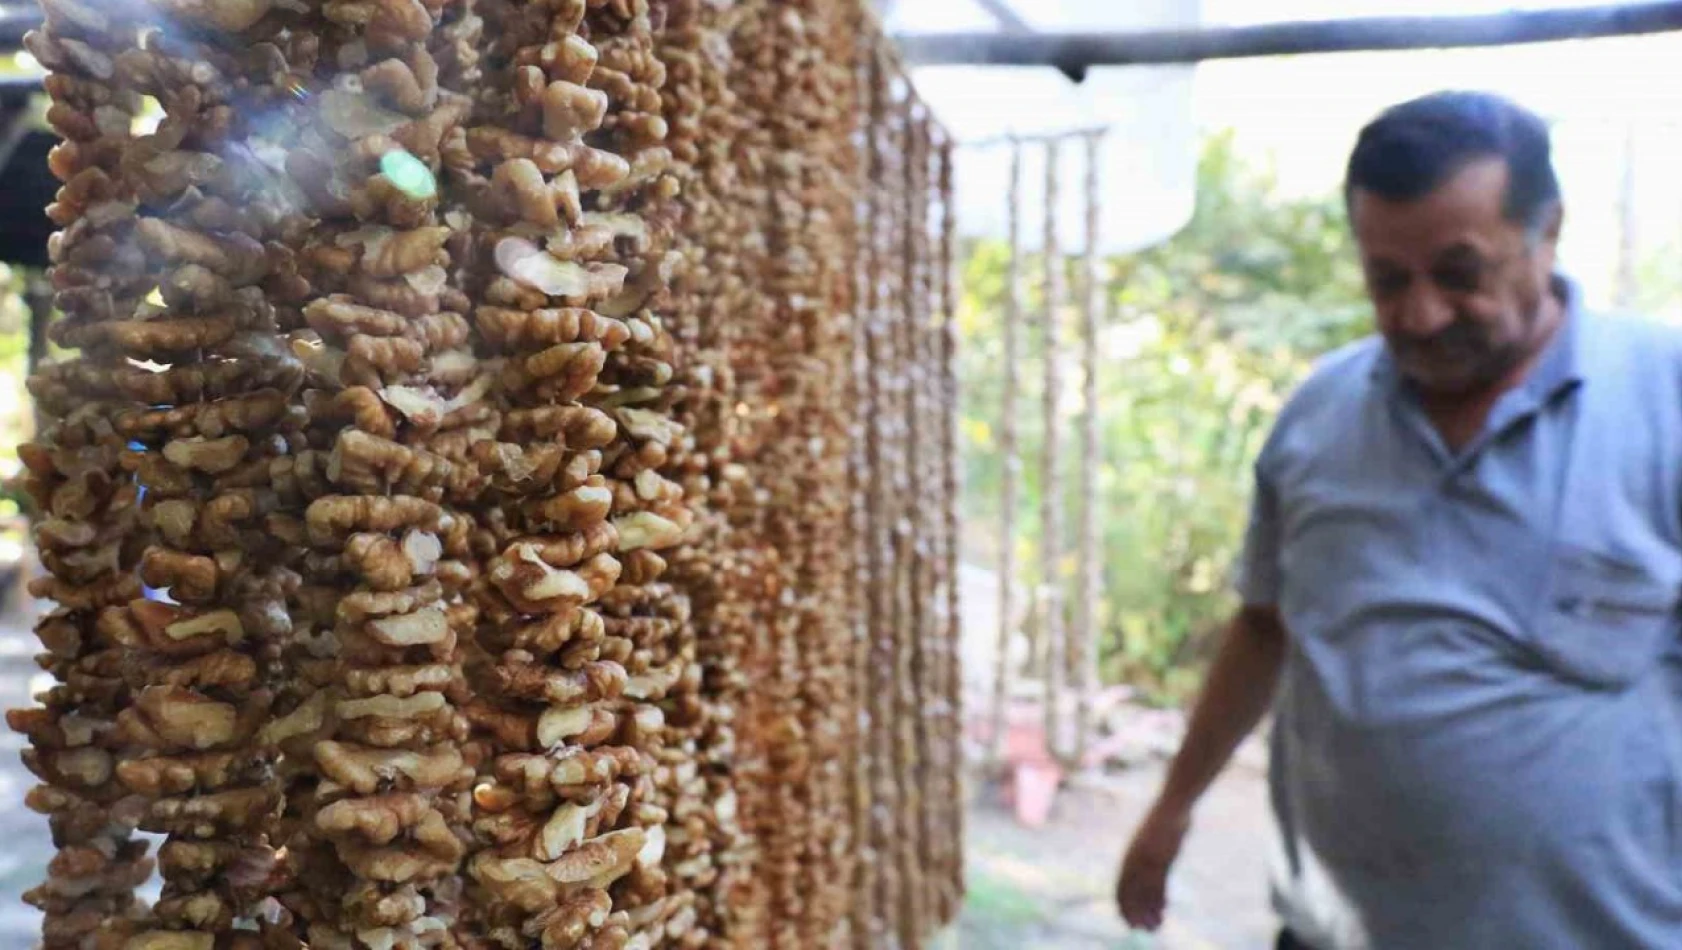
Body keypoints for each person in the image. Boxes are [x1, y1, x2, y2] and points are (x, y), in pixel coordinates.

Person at [1114, 90, 1682, 949]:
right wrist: (1173, 805)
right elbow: (1265, 628)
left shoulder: (1665, 401)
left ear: (1548, 231)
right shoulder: (1317, 416)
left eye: (1461, 273)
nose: (1420, 316)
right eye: (1387, 280)